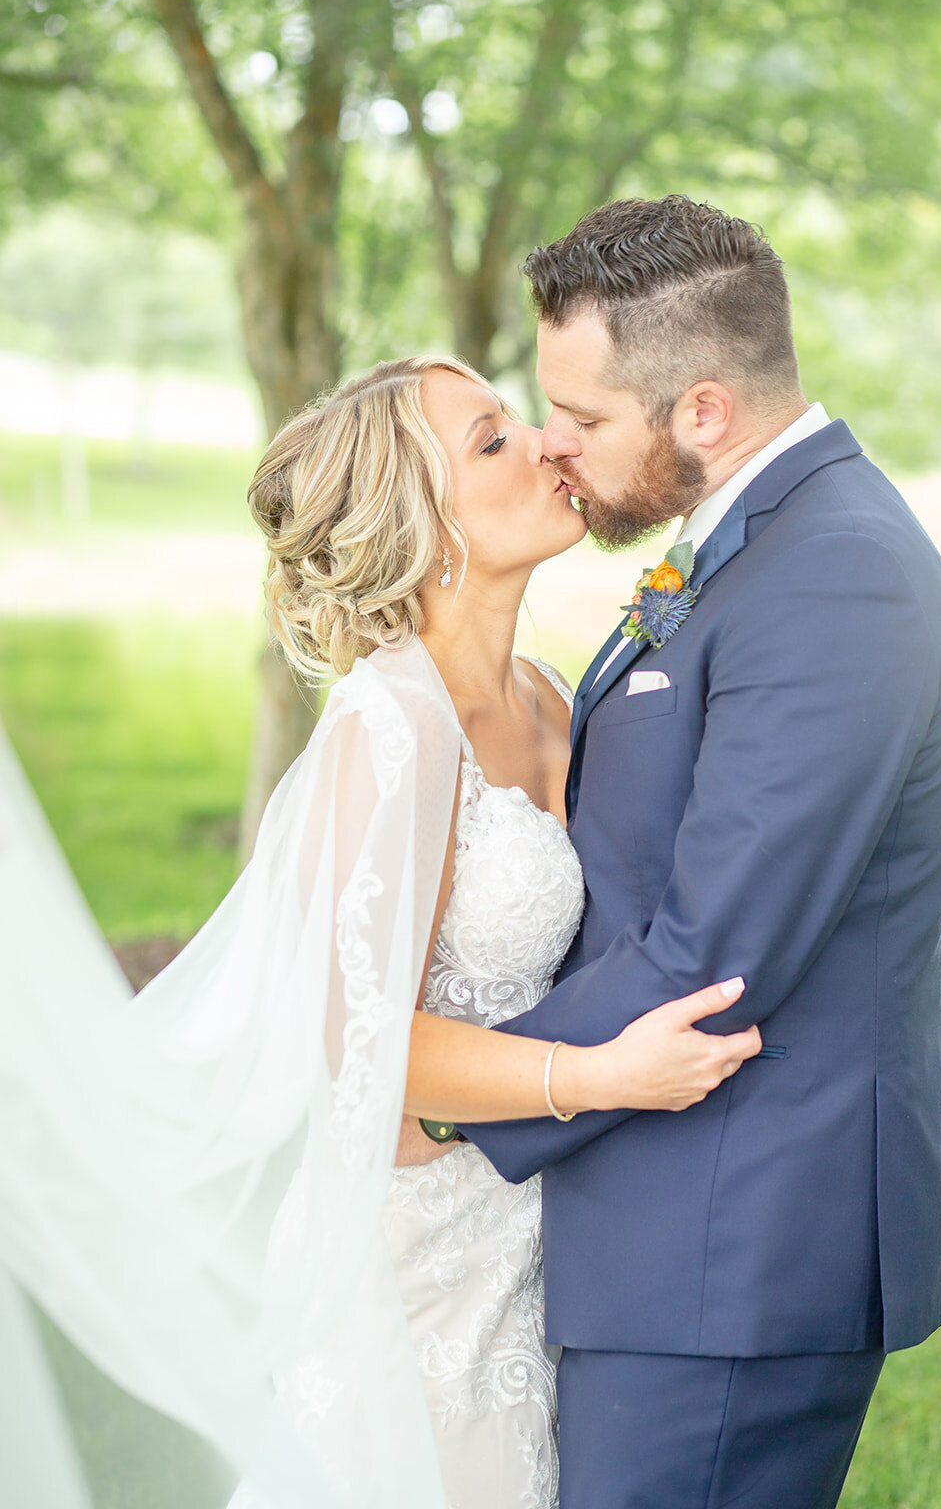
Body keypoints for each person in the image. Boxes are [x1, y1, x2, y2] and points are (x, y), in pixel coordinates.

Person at [0, 353, 759, 1509]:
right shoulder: (389, 730)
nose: (550, 444)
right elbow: (365, 1058)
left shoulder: (553, 693)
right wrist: (606, 1075)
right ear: (424, 521)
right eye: (492, 440)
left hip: (542, 1232)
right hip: (420, 1274)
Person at [461, 197, 941, 1509]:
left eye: (579, 419)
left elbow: (715, 952)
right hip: (664, 1216)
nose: (552, 447)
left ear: (698, 411)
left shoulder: (834, 577)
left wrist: (444, 1096)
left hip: (733, 1237)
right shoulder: (752, 545)